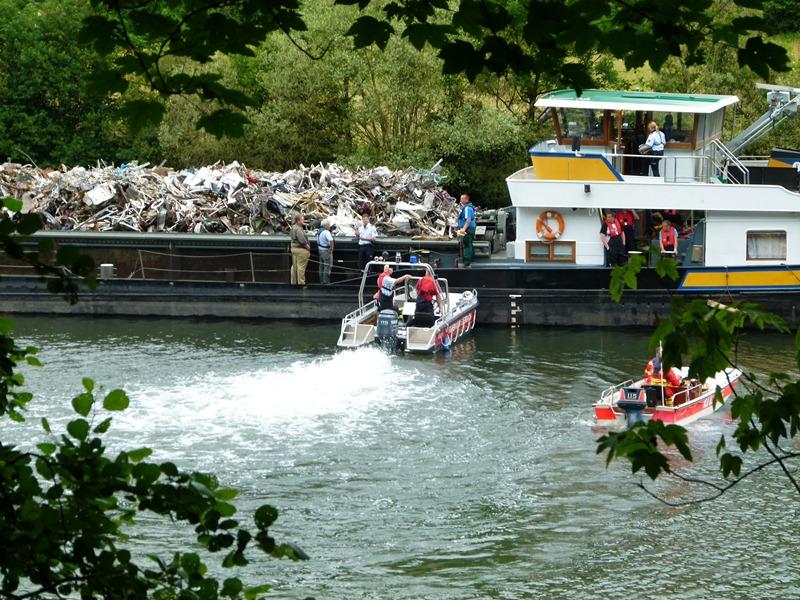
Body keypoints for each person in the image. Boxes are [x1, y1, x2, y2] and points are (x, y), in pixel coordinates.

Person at [290, 214, 310, 285]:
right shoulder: (298, 229)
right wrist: (307, 247)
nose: (303, 221)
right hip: (301, 250)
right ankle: (301, 283)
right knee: (301, 267)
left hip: (293, 249)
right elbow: (302, 240)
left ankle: (293, 282)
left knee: (294, 267)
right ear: (298, 221)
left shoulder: (293, 227)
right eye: (302, 220)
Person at [457, 193, 477, 267]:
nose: (460, 200)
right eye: (460, 198)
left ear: (466, 199)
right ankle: (471, 258)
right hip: (469, 228)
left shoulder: (468, 208)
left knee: (466, 244)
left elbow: (468, 220)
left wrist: (463, 229)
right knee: (469, 244)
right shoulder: (465, 207)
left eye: (462, 199)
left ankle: (467, 262)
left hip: (468, 229)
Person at [317, 218, 334, 284]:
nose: (329, 226)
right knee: (328, 266)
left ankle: (321, 281)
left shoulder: (319, 231)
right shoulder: (326, 232)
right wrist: (331, 249)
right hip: (326, 251)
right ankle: (326, 282)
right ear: (326, 225)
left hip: (320, 250)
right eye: (329, 225)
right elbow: (331, 240)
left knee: (321, 267)